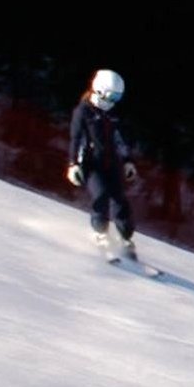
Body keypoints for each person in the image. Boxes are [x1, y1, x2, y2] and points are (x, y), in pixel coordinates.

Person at [66, 69, 140, 260]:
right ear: (99, 90)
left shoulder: (113, 114)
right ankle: (100, 233)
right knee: (101, 195)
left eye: (117, 97)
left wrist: (127, 161)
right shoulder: (83, 111)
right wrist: (73, 164)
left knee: (119, 200)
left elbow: (119, 139)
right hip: (91, 164)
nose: (114, 101)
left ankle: (125, 238)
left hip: (111, 163)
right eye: (111, 96)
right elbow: (75, 138)